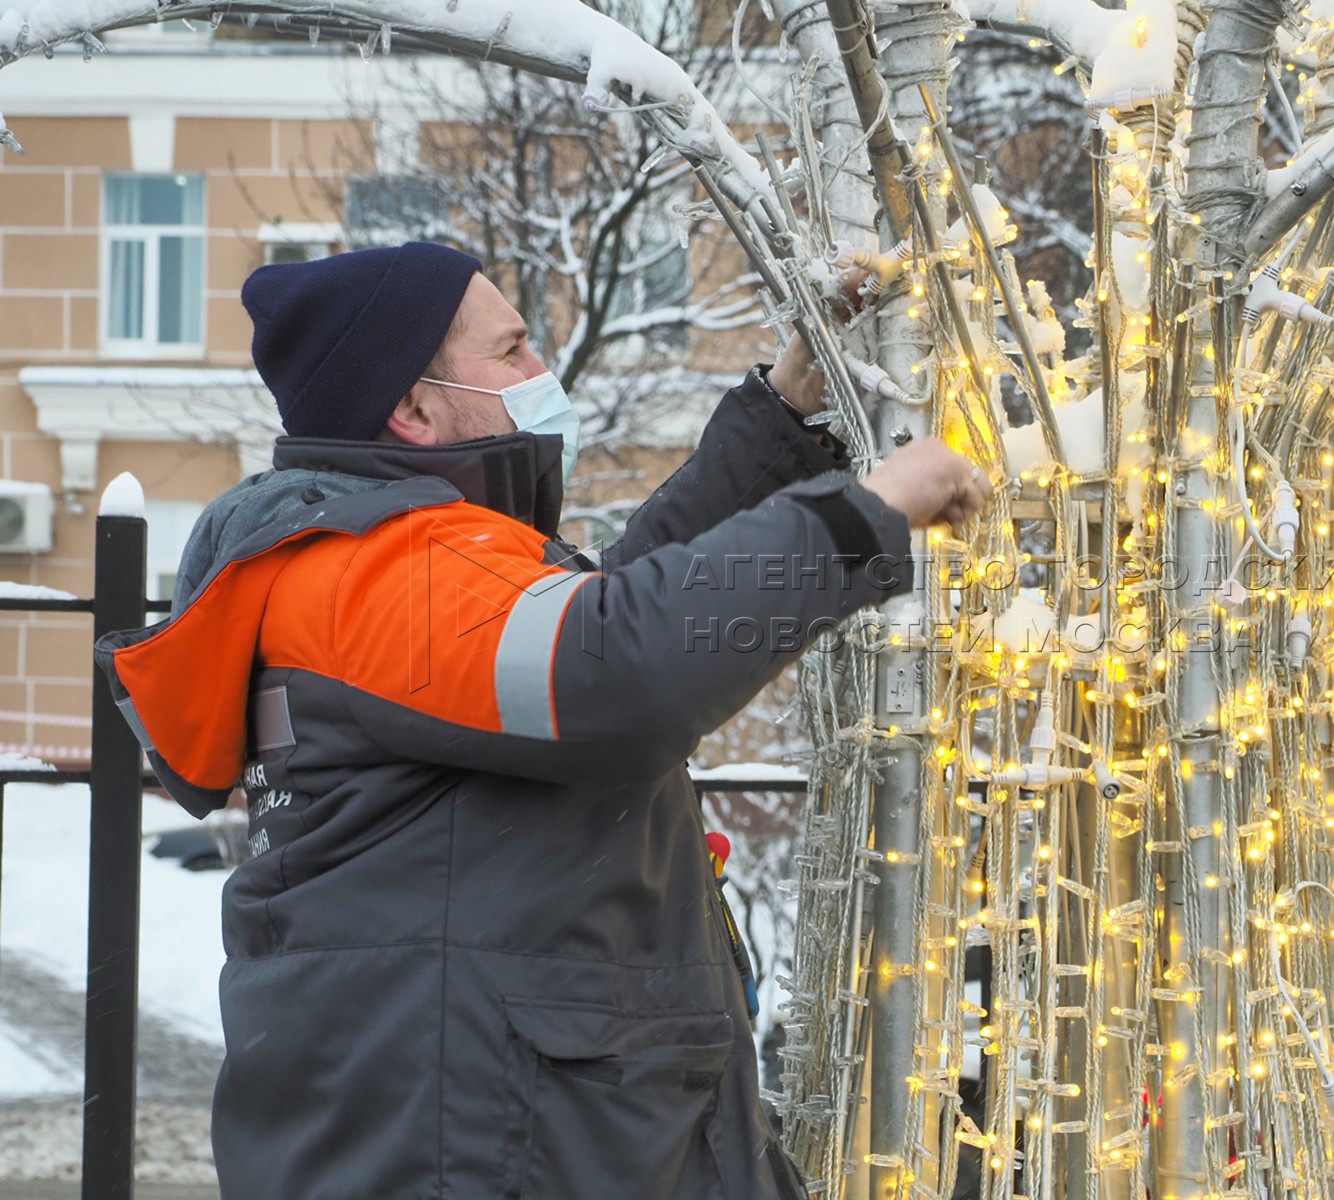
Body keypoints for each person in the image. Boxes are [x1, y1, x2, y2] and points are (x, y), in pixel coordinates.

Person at [95, 241, 989, 1200]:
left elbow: (603, 607)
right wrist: (868, 515)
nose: (540, 374)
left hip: (493, 1134)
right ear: (414, 405)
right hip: (476, 1151)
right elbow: (618, 666)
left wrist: (782, 415)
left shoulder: (412, 561)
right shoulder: (369, 571)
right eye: (512, 349)